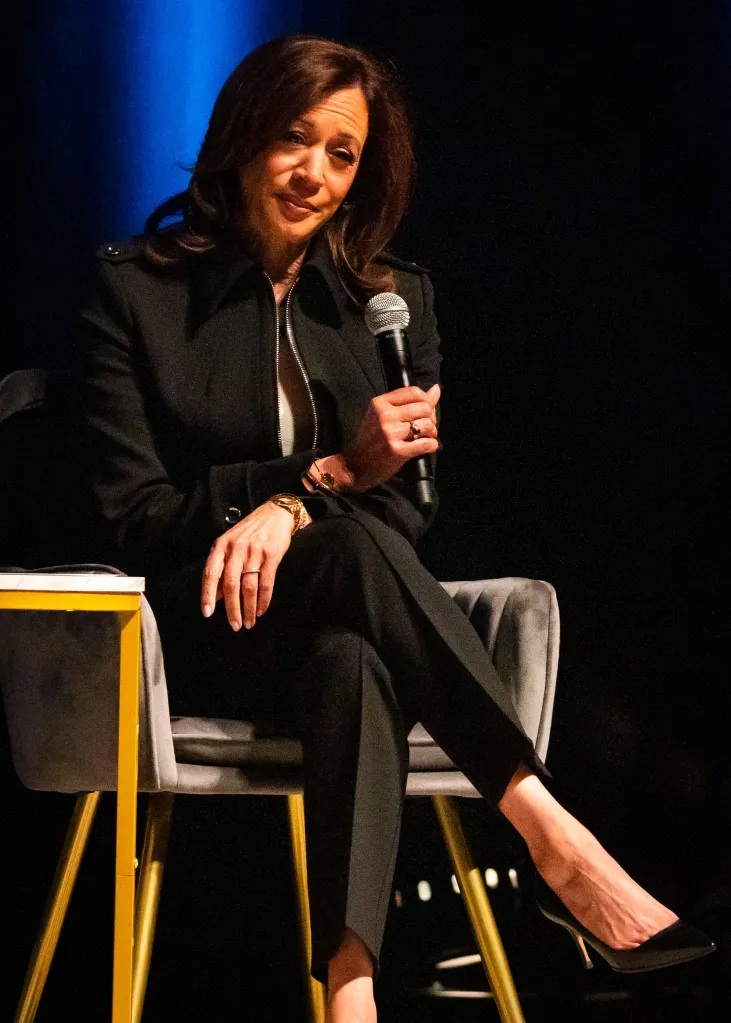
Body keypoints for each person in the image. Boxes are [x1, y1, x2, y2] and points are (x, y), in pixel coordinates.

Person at [78, 34, 714, 1023]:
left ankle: (352, 994)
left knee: (349, 658)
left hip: (332, 622)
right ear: (244, 135)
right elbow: (133, 517)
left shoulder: (389, 302)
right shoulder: (135, 292)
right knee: (348, 546)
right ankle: (547, 831)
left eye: (342, 154)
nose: (315, 175)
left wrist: (295, 505)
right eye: (295, 140)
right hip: (189, 635)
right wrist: (323, 474)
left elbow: (403, 517)